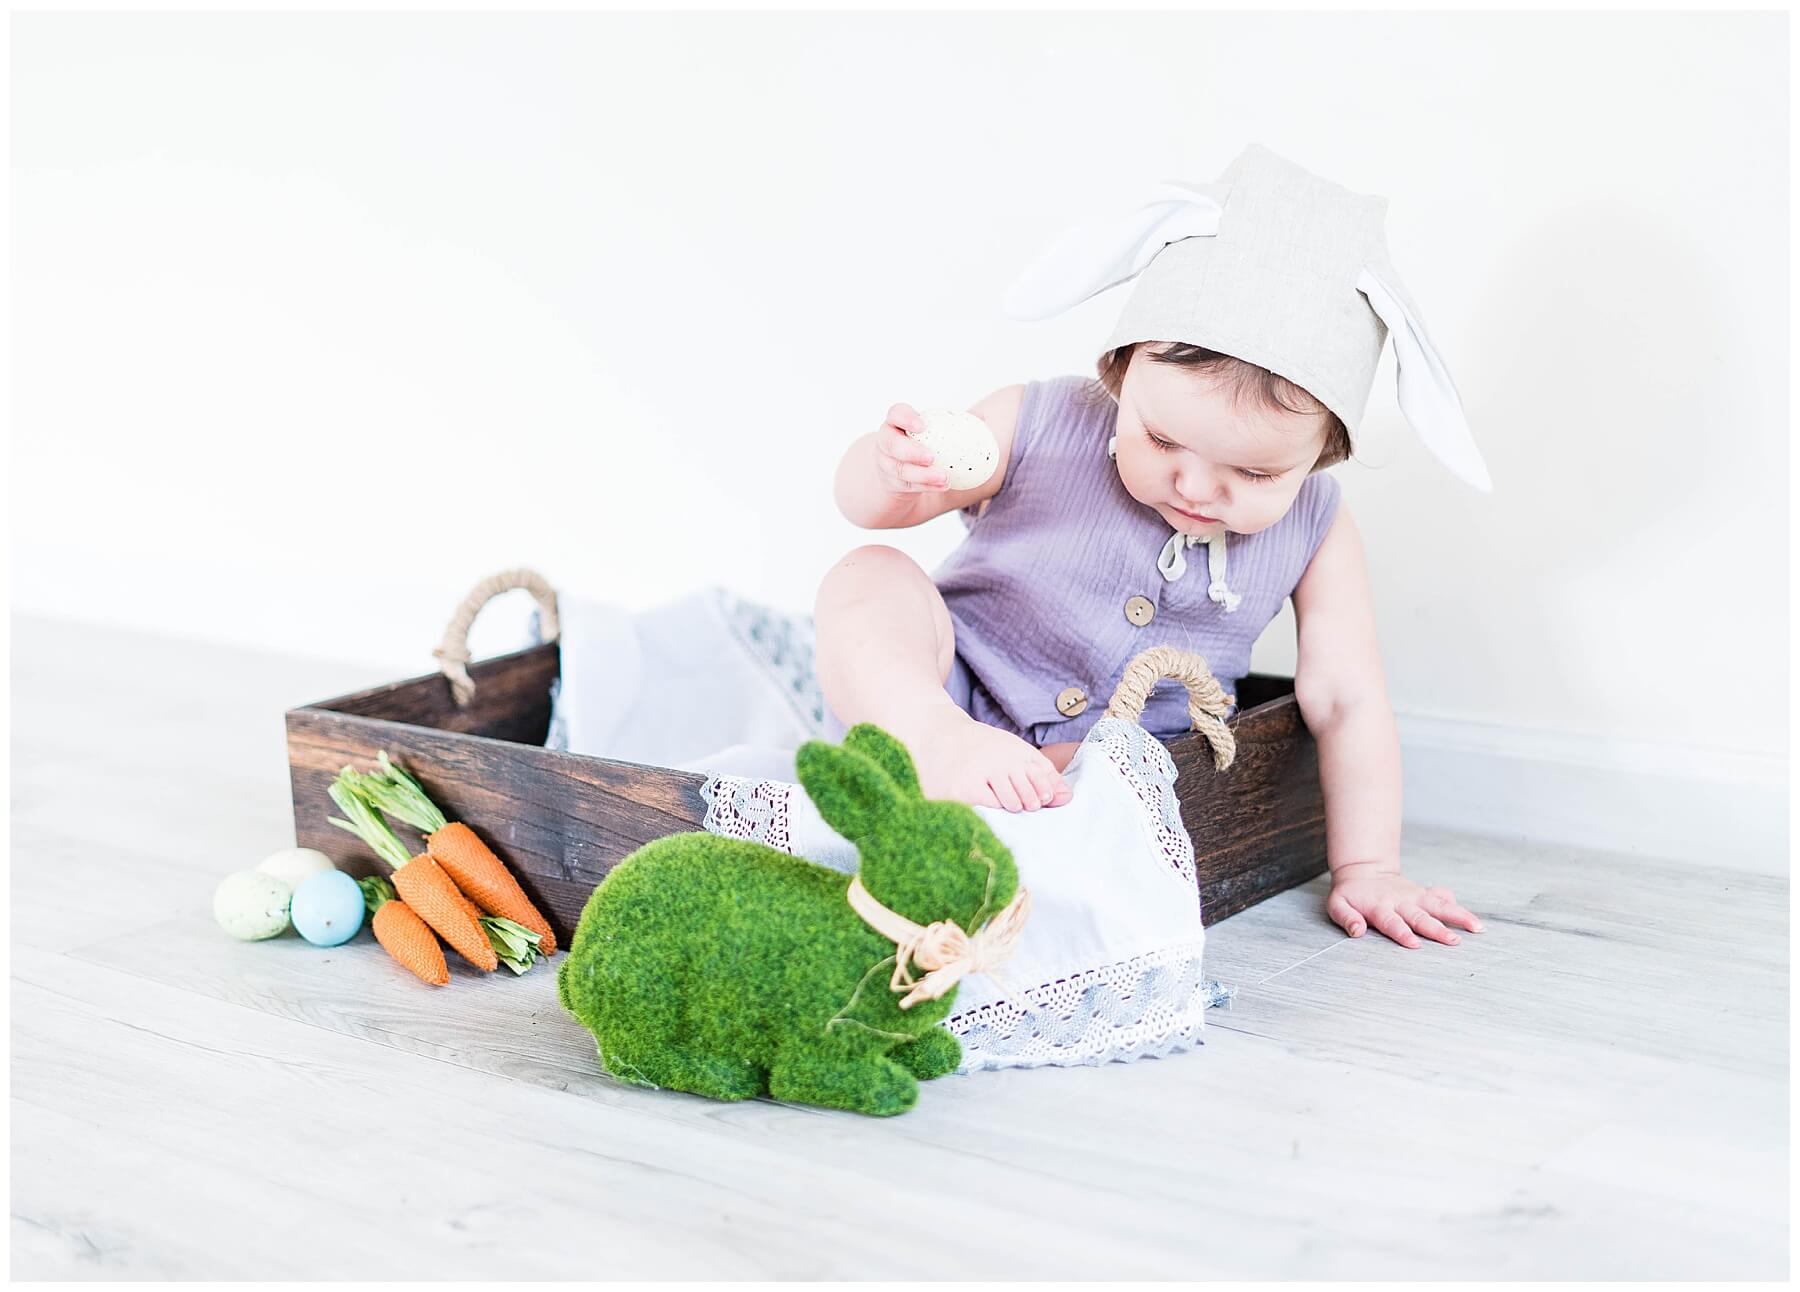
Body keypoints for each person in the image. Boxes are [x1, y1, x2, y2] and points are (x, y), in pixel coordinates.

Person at [814, 144, 1487, 950]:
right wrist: (896, 469)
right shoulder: (1043, 420)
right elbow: (870, 509)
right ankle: (929, 744)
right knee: (869, 578)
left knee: (1119, 778)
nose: (1197, 489)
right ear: (1123, 370)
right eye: (1161, 438)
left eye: (1254, 470)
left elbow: (1345, 700)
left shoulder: (1319, 526)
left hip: (1108, 756)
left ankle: (1020, 827)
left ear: (1322, 455)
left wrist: (1369, 865)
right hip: (946, 686)